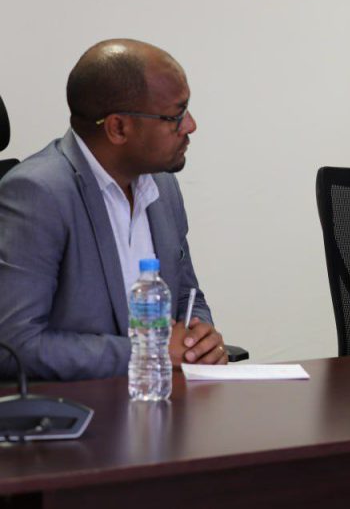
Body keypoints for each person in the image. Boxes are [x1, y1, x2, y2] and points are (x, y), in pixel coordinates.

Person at [0, 39, 228, 380]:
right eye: (176, 116)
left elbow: (186, 296)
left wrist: (200, 340)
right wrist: (147, 352)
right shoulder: (38, 194)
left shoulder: (162, 186)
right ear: (118, 127)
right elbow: (14, 345)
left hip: (161, 398)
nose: (190, 125)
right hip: (78, 407)